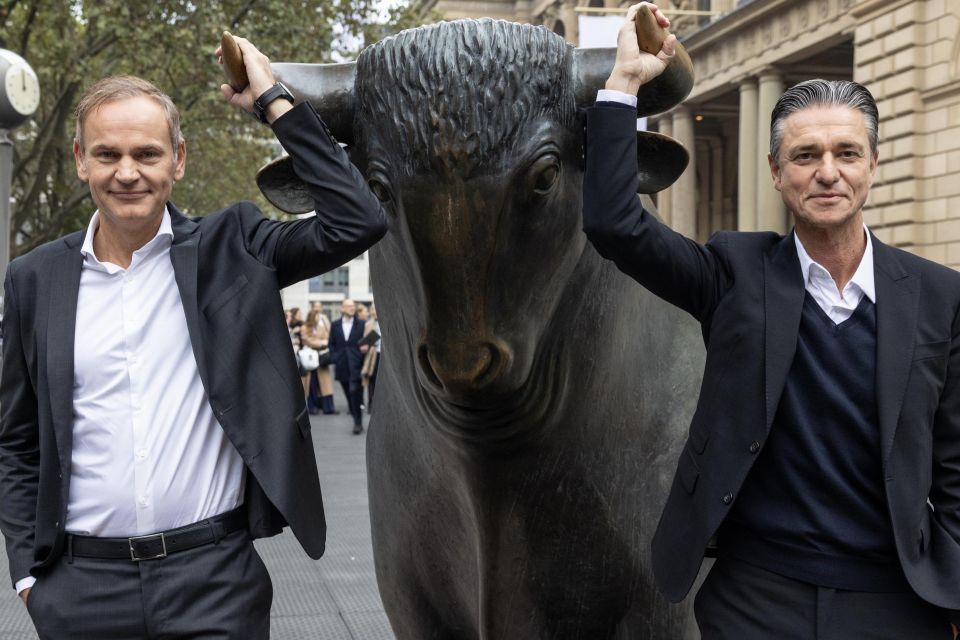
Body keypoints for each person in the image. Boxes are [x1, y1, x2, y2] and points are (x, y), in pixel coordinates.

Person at [582, 4, 960, 638]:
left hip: (894, 599)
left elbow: (954, 465)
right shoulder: (734, 273)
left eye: (846, 152)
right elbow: (615, 224)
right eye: (805, 155)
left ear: (872, 165)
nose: (828, 172)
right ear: (777, 173)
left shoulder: (939, 296)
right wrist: (624, 84)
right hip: (756, 596)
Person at [0, 34, 386, 639]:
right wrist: (28, 572)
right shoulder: (34, 279)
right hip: (79, 593)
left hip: (214, 585)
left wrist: (274, 103)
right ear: (80, 159)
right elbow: (17, 439)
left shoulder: (234, 246)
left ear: (178, 160)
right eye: (107, 154)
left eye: (147, 154)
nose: (127, 172)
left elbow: (356, 220)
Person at [329, 298, 365, 434]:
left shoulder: (361, 324)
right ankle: (355, 414)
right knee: (349, 394)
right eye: (349, 306)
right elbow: (331, 343)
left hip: (357, 364)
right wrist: (335, 358)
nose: (352, 308)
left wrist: (364, 351)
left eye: (353, 306)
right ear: (342, 309)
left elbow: (369, 340)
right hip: (342, 364)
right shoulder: (335, 325)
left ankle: (358, 423)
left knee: (355, 392)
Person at [302, 307, 337, 415]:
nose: (319, 318)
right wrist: (320, 343)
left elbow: (328, 339)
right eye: (317, 316)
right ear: (312, 317)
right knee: (311, 384)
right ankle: (312, 407)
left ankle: (328, 408)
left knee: (325, 385)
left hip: (322, 359)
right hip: (309, 359)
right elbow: (306, 340)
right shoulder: (305, 327)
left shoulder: (321, 327)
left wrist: (320, 342)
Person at [361, 303, 381, 413]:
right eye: (372, 309)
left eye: (376, 309)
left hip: (385, 356)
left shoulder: (387, 323)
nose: (374, 311)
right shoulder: (368, 324)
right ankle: (371, 404)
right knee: (372, 380)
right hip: (373, 356)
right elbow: (364, 341)